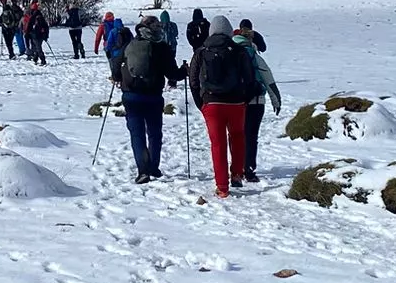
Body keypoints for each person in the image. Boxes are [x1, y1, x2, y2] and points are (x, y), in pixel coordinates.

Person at [189, 13, 256, 196]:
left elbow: (193, 79)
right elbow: (250, 78)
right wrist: (245, 99)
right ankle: (236, 175)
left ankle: (222, 188)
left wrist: (200, 102)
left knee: (217, 144)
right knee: (238, 137)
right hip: (236, 102)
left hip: (211, 103)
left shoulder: (201, 51)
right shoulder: (238, 50)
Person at [118, 16, 184, 183]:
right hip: (153, 96)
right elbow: (172, 74)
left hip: (131, 96)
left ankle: (142, 170)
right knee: (154, 133)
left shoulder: (131, 44)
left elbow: (117, 65)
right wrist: (184, 71)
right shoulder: (161, 47)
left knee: (137, 134)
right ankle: (153, 167)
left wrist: (118, 77)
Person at [233, 19, 283, 181]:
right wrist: (276, 100)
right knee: (251, 136)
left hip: (235, 101)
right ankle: (248, 169)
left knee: (236, 135)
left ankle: (236, 168)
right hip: (256, 101)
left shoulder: (229, 53)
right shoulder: (254, 55)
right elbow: (268, 78)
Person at [100, 12, 131, 82]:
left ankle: (116, 78)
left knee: (115, 65)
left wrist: (107, 50)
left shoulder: (113, 31)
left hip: (115, 52)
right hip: (126, 51)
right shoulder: (127, 30)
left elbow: (109, 42)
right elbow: (132, 40)